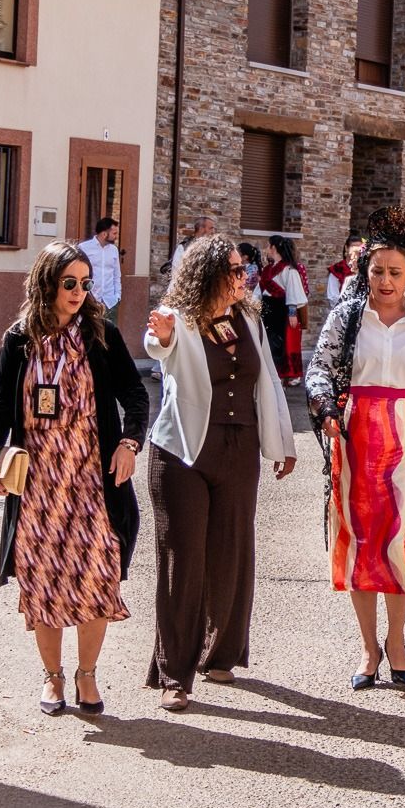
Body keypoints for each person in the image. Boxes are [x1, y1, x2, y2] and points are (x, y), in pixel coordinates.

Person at [0, 241, 148, 716]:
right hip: (37, 484)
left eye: (84, 283)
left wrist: (129, 443)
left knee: (100, 576)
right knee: (42, 581)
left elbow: (135, 396)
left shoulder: (101, 335)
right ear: (47, 283)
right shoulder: (18, 340)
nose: (78, 292)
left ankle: (87, 675)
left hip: (92, 480)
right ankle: (52, 679)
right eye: (69, 283)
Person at [143, 235, 297, 711]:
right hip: (183, 451)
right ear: (206, 274)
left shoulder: (248, 316)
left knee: (231, 551)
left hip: (239, 447)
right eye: (233, 271)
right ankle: (174, 674)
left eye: (243, 269)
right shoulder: (179, 317)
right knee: (182, 561)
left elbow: (267, 379)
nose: (243, 277)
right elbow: (157, 345)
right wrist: (163, 335)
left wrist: (283, 442)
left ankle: (220, 654)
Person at [306, 207, 405, 691]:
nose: (385, 280)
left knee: (398, 541)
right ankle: (369, 648)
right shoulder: (348, 316)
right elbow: (319, 370)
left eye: (395, 272)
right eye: (377, 271)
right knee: (359, 543)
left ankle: (397, 640)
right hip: (356, 437)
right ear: (364, 271)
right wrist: (326, 405)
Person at [260, 235, 309, 387]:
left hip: (283, 309)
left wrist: (293, 313)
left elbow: (294, 292)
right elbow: (259, 291)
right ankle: (273, 372)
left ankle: (285, 374)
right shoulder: (268, 269)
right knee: (269, 341)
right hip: (268, 309)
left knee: (283, 343)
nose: (266, 249)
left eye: (268, 246)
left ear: (274, 248)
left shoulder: (289, 269)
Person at [78, 218, 122, 324]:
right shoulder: (84, 248)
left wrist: (118, 296)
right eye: (114, 233)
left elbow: (117, 274)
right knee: (89, 331)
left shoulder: (114, 250)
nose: (116, 237)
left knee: (110, 335)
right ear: (104, 234)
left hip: (110, 301)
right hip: (90, 299)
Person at [327, 235, 364, 304]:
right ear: (346, 248)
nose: (357, 251)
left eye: (360, 248)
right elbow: (333, 297)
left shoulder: (365, 269)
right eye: (353, 247)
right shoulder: (337, 269)